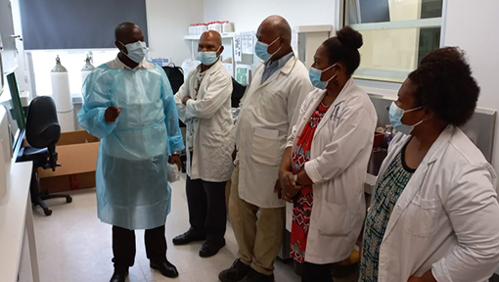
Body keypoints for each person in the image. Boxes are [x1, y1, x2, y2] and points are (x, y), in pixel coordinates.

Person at [359, 47, 499, 282]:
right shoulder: (405, 139)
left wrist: (429, 279)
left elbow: (486, 248)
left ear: (426, 111)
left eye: (401, 101)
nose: (393, 106)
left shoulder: (464, 168)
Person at [78, 22, 184, 282]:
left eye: (142, 39)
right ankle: (121, 266)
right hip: (120, 159)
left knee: (156, 210)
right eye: (134, 41)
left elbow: (170, 114)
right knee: (122, 213)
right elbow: (88, 116)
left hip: (153, 156)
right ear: (119, 45)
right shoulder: (102, 76)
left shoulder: (157, 74)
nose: (141, 45)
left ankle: (158, 258)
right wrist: (106, 116)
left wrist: (175, 150)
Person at [218, 15, 314, 282]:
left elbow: (297, 129)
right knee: (237, 209)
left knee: (269, 219)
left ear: (280, 40)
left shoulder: (299, 77)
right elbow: (250, 107)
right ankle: (246, 260)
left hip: (272, 162)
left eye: (261, 38)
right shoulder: (264, 66)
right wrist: (239, 144)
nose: (258, 43)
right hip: (247, 156)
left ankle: (262, 270)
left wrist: (286, 170)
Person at [278, 26, 377, 282]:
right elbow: (294, 135)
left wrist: (294, 182)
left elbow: (333, 160)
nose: (312, 66)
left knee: (317, 273)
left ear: (338, 69)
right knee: (307, 269)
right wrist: (283, 171)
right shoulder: (315, 96)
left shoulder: (358, 107)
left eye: (317, 62)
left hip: (323, 204)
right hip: (303, 201)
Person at [173, 30, 234, 258]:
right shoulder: (194, 73)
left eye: (210, 46)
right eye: (202, 46)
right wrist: (191, 106)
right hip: (195, 142)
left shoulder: (222, 77)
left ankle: (215, 237)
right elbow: (175, 100)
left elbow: (205, 109)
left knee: (213, 194)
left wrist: (189, 105)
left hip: (214, 143)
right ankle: (196, 229)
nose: (205, 50)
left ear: (220, 50)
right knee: (193, 189)